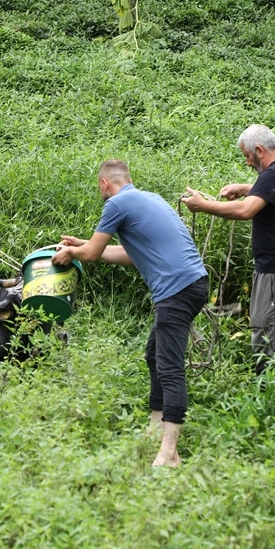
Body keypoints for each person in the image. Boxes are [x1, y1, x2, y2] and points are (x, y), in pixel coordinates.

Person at [53, 159, 208, 467]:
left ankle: (169, 452)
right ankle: (155, 427)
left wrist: (73, 252)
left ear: (104, 184)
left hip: (176, 290)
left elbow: (93, 254)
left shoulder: (116, 204)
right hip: (193, 283)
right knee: (155, 354)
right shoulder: (149, 198)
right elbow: (128, 254)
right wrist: (83, 244)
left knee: (170, 367)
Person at [181, 124, 275, 372]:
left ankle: (270, 393)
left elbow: (245, 210)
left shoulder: (274, 175)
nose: (247, 162)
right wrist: (244, 188)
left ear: (260, 150)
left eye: (247, 156)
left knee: (268, 334)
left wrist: (204, 206)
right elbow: (273, 193)